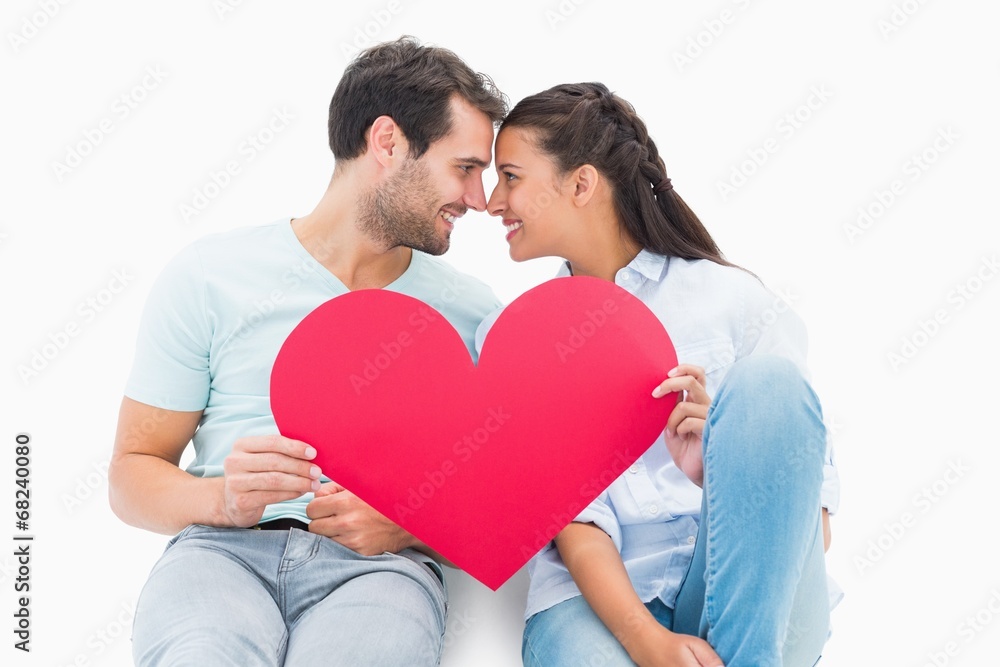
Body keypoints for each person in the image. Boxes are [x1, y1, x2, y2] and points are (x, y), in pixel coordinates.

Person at [108, 37, 507, 666]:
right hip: (219, 556)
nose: (480, 199)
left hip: (379, 573)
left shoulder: (476, 315)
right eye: (465, 168)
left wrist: (408, 525)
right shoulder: (210, 274)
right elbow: (131, 473)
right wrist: (222, 501)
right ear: (387, 142)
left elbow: (510, 503)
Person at [479, 82, 840, 667]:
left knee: (770, 384)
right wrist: (651, 645)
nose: (493, 201)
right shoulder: (514, 337)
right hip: (592, 602)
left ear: (581, 184)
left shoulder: (733, 301)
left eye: (511, 177)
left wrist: (721, 473)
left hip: (741, 589)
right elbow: (572, 518)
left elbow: (811, 524)